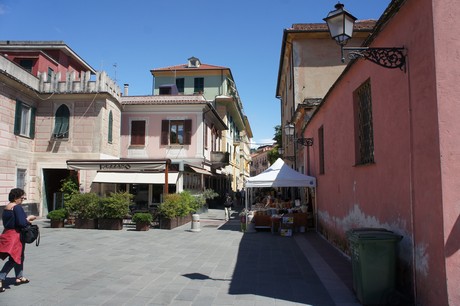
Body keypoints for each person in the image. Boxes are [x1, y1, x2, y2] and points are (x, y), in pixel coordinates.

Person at [0, 188, 36, 292]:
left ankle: (19, 277)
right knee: (14, 258)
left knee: (19, 256)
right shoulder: (17, 208)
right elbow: (22, 223)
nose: (23, 199)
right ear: (16, 198)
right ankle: (1, 277)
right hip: (16, 236)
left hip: (7, 234)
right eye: (22, 197)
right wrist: (29, 219)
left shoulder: (7, 207)